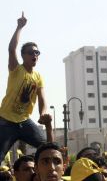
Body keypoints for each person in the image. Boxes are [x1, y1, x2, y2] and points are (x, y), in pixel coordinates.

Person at [0, 12, 51, 163]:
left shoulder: (38, 77)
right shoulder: (17, 69)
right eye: (31, 52)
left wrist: (43, 114)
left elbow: (42, 99)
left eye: (37, 52)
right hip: (6, 121)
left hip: (24, 122)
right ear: (23, 55)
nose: (34, 55)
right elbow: (11, 49)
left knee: (47, 148)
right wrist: (19, 27)